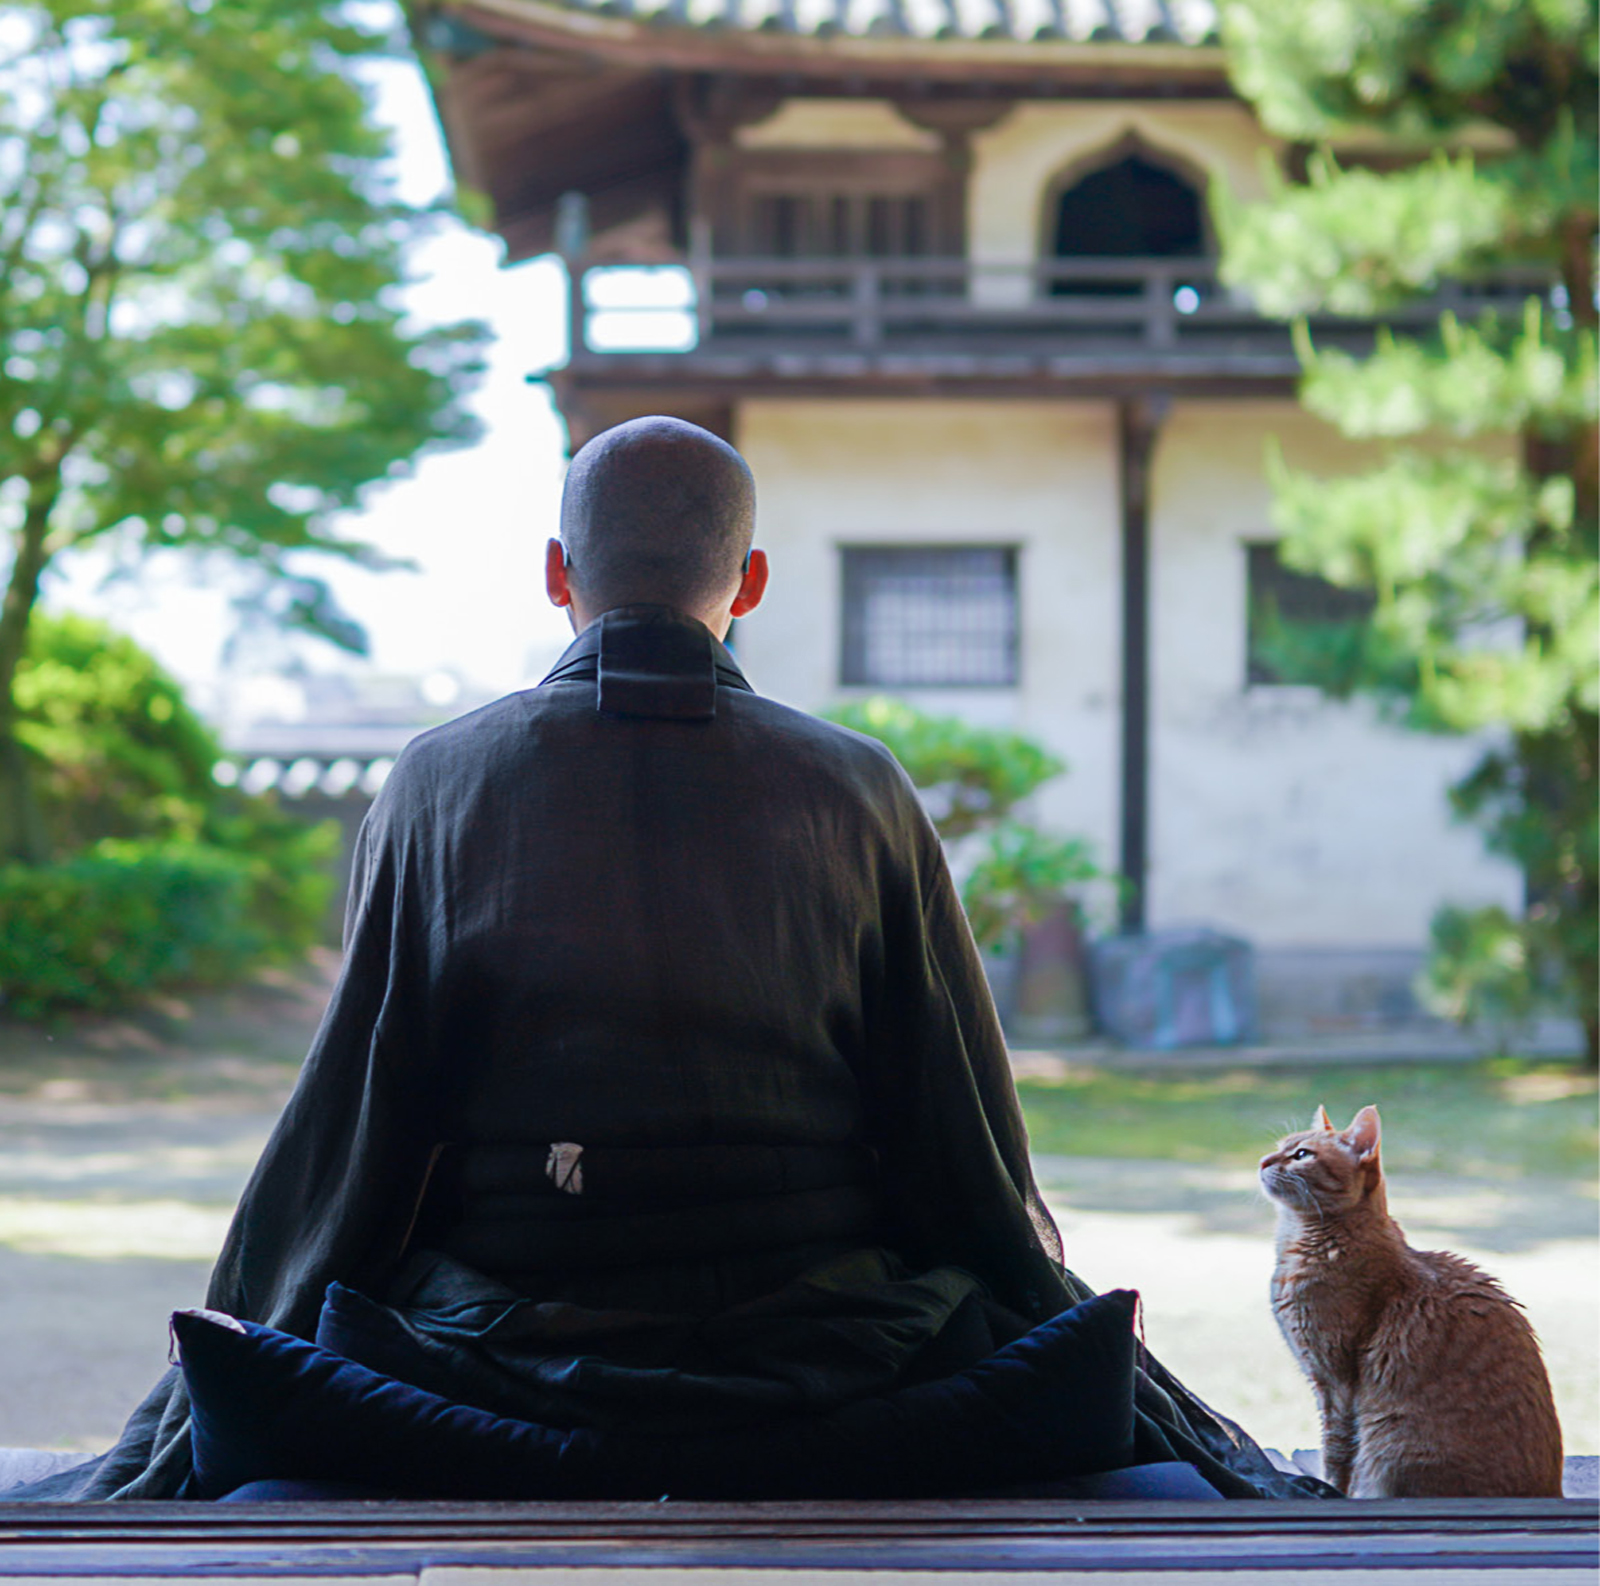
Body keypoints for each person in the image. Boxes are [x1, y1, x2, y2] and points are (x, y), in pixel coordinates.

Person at [13, 418, 1313, 1502]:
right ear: (747, 583)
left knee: (323, 1354)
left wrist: (231, 1347)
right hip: (838, 1375)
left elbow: (354, 1141)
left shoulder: (437, 783)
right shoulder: (859, 790)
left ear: (554, 571)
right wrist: (1069, 1326)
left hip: (492, 1378)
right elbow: (959, 1157)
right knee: (1018, 1339)